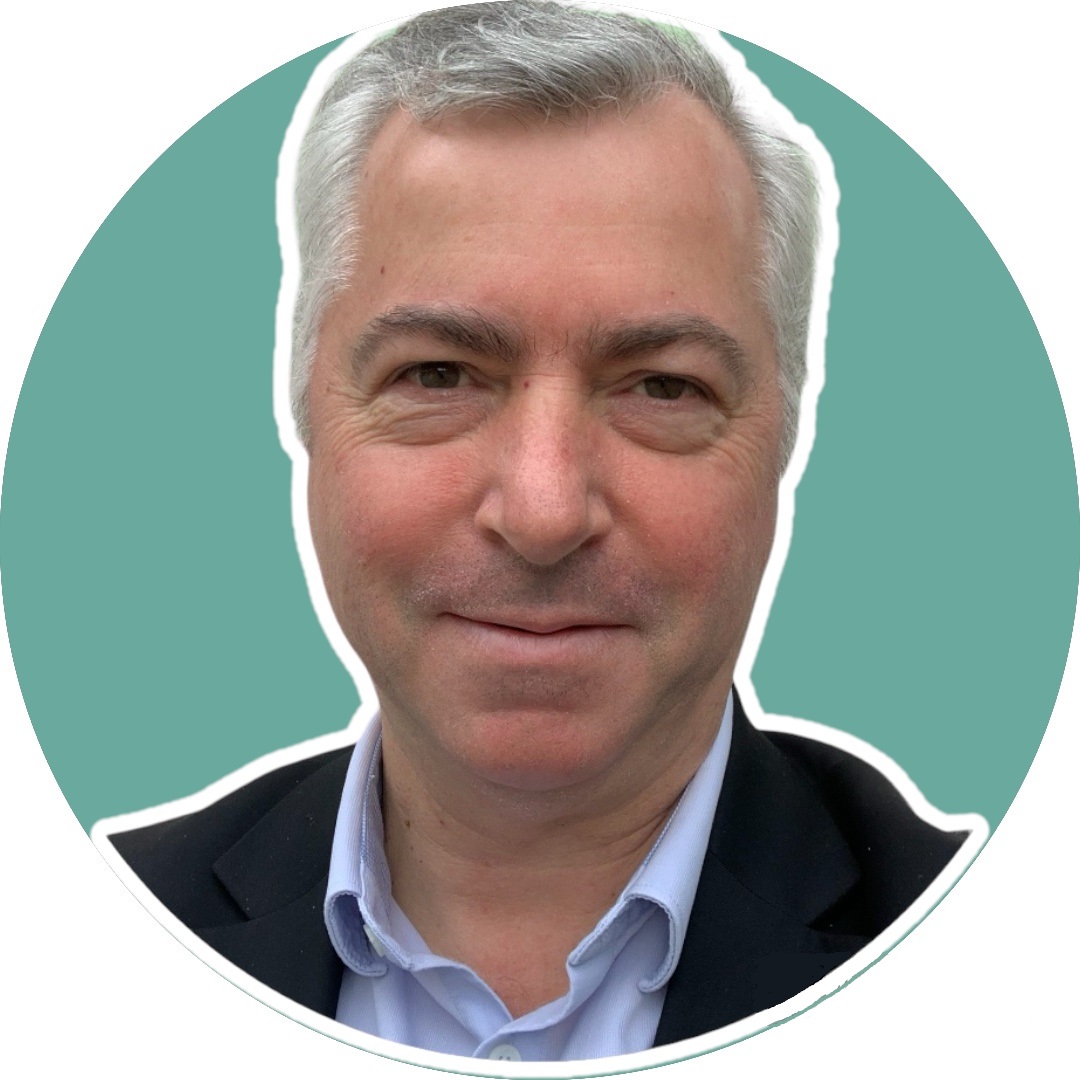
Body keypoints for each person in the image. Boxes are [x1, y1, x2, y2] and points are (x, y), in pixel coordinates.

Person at [105, 2, 978, 1062]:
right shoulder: (89, 938)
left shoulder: (997, 955)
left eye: (662, 386)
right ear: (305, 409)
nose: (545, 510)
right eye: (439, 374)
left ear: (785, 437)